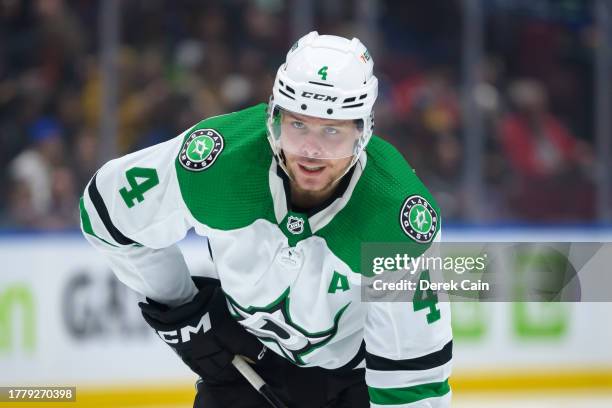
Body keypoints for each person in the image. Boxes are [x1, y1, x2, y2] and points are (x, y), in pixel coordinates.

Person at [80, 31, 452, 407]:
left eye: (332, 132)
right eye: (298, 125)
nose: (311, 150)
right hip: (244, 364)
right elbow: (105, 210)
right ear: (274, 116)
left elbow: (414, 380)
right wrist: (182, 310)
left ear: (362, 132)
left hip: (353, 386)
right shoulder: (218, 161)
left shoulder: (397, 220)